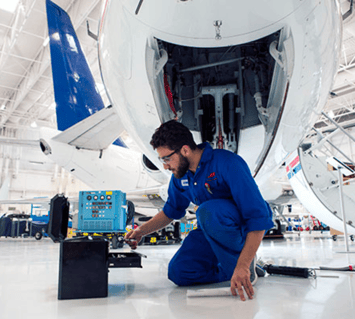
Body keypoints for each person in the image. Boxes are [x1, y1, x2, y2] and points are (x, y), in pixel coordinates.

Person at [125, 120, 274, 301]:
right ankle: (232, 271)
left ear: (185, 150)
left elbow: (258, 216)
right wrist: (141, 231)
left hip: (239, 227)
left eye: (167, 158)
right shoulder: (180, 177)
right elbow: (170, 211)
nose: (165, 166)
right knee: (180, 272)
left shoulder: (227, 163)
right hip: (210, 227)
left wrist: (242, 265)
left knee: (208, 211)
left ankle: (243, 267)